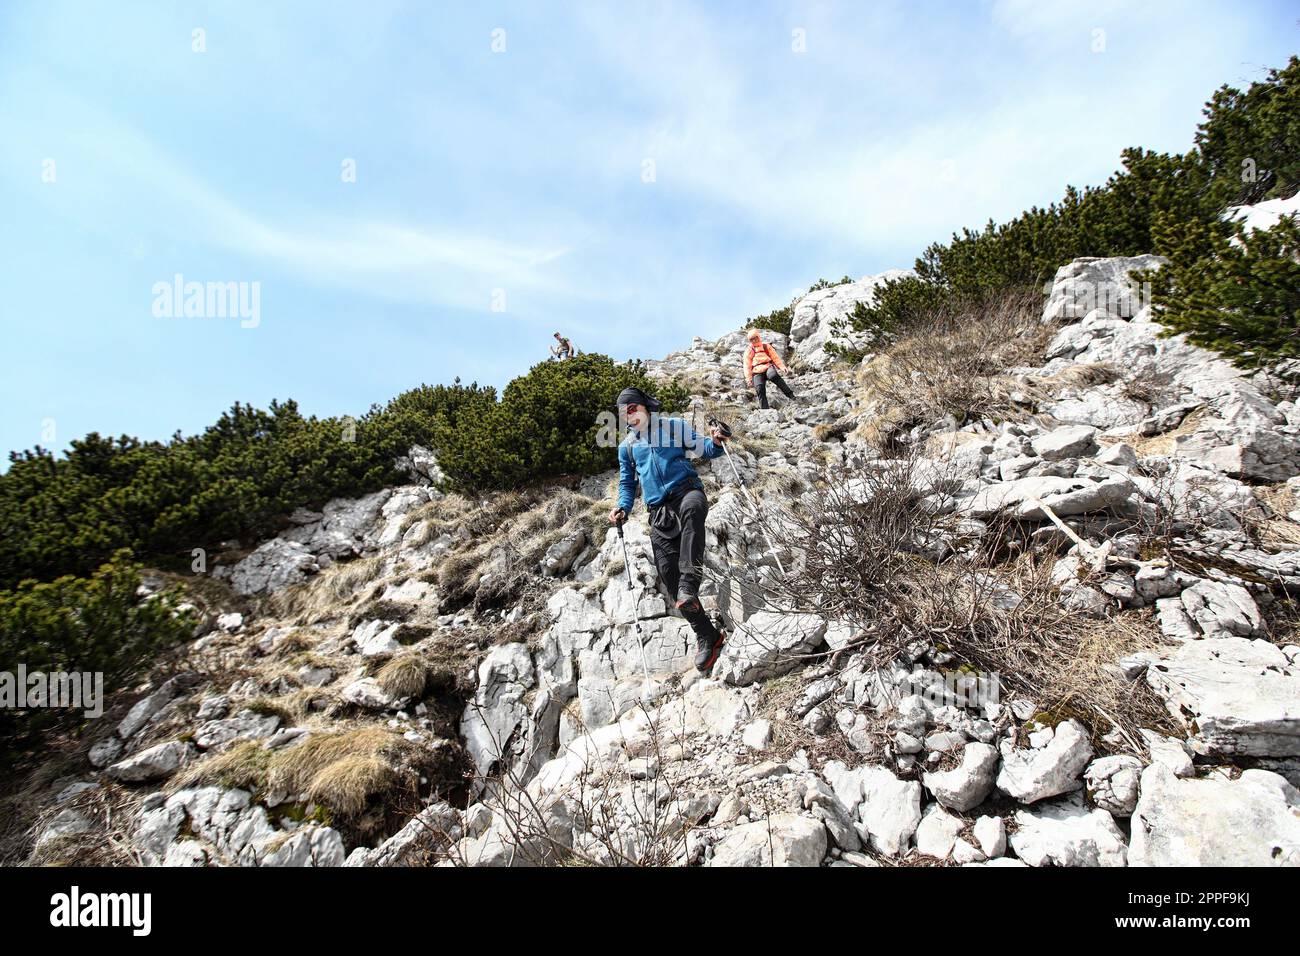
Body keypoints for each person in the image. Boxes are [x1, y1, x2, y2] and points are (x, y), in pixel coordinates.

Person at [609, 386, 729, 674]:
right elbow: (627, 484)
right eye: (624, 413)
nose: (629, 416)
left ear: (644, 407)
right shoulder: (627, 447)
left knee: (692, 511)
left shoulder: (673, 427)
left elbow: (706, 449)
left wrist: (717, 439)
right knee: (667, 571)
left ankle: (690, 583)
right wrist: (622, 507)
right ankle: (707, 635)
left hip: (687, 492)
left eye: (633, 409)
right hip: (658, 511)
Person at [744, 328, 795, 409]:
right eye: (751, 339)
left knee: (773, 376)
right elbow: (747, 365)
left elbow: (775, 358)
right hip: (756, 371)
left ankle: (791, 395)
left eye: (755, 338)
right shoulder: (749, 350)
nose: (754, 340)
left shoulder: (766, 346)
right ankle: (765, 410)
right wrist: (749, 379)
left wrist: (782, 367)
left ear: (758, 337)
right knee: (759, 388)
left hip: (767, 366)